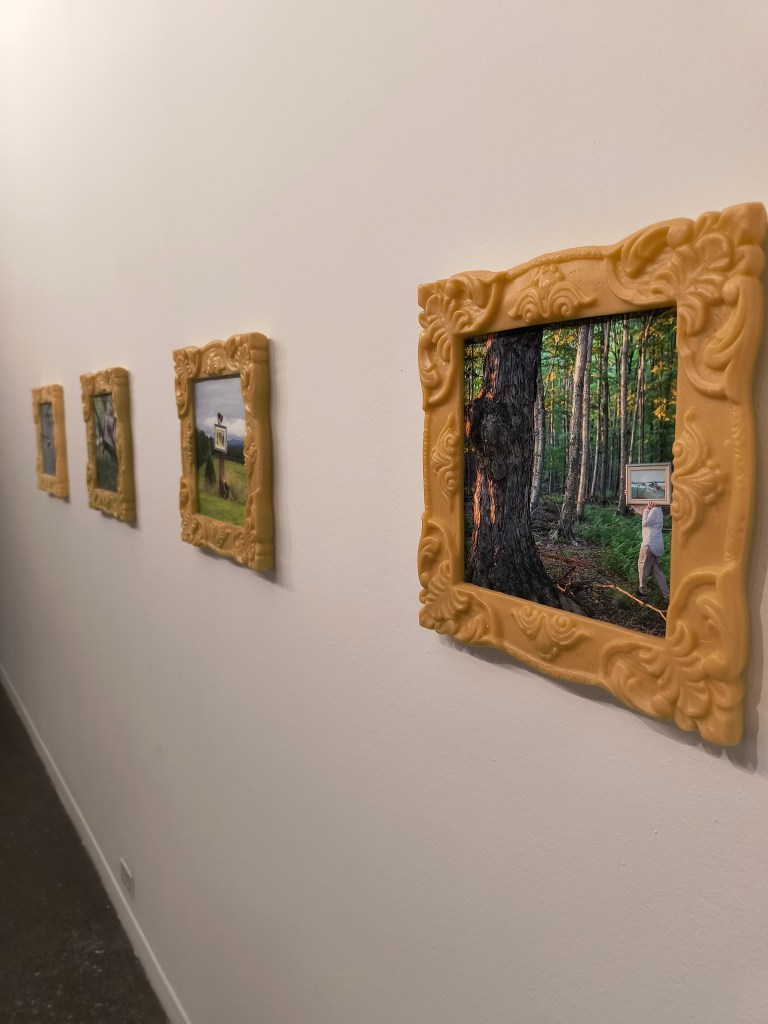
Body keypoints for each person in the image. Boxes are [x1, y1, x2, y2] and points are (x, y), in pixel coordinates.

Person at [634, 500, 669, 600]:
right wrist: (630, 499)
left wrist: (646, 509)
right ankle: (667, 595)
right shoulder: (657, 509)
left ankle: (642, 592)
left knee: (642, 566)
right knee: (657, 571)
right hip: (655, 544)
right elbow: (640, 510)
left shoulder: (654, 510)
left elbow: (644, 523)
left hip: (649, 544)